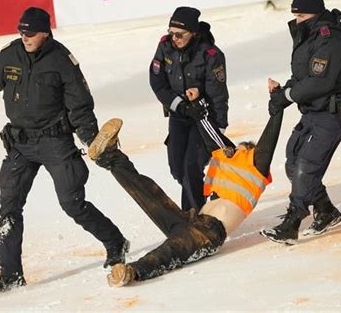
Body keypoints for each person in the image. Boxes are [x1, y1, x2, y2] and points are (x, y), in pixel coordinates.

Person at [0, 7, 129, 298]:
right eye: (21, 31)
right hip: (20, 144)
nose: (24, 36)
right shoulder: (11, 55)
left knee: (72, 203)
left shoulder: (62, 61)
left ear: (45, 32)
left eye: (30, 32)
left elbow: (80, 106)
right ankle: (10, 275)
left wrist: (92, 140)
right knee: (8, 210)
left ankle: (115, 241)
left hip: (56, 143)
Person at [87, 89, 283, 287]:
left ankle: (132, 271)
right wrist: (197, 105)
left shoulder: (256, 165)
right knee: (149, 194)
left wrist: (277, 105)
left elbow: (269, 141)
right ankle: (111, 157)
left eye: (241, 149)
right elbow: (209, 132)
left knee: (171, 251)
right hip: (192, 218)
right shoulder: (226, 157)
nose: (234, 151)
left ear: (248, 151)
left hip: (209, 233)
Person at [259, 0, 341, 245]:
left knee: (307, 165)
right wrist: (283, 92)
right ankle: (326, 210)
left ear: (316, 14)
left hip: (332, 113)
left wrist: (288, 97)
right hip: (312, 111)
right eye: (295, 15)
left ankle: (292, 222)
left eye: (302, 15)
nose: (297, 21)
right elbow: (301, 77)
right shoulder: (308, 36)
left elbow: (320, 83)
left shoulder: (330, 40)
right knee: (293, 162)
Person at [149, 6, 229, 212]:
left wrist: (218, 128)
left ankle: (192, 216)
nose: (174, 38)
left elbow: (219, 94)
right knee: (177, 169)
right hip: (179, 114)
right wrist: (181, 106)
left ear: (193, 33)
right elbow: (158, 83)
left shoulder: (211, 55)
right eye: (171, 33)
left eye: (179, 34)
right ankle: (208, 193)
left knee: (190, 168)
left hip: (204, 118)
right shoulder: (165, 47)